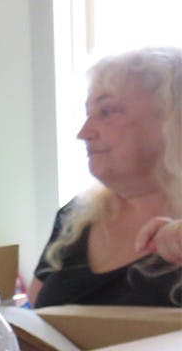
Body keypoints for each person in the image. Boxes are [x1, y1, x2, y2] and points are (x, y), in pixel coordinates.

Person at [29, 47, 182, 308]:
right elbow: (32, 325)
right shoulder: (74, 218)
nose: (84, 132)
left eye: (107, 112)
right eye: (87, 113)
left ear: (171, 120)